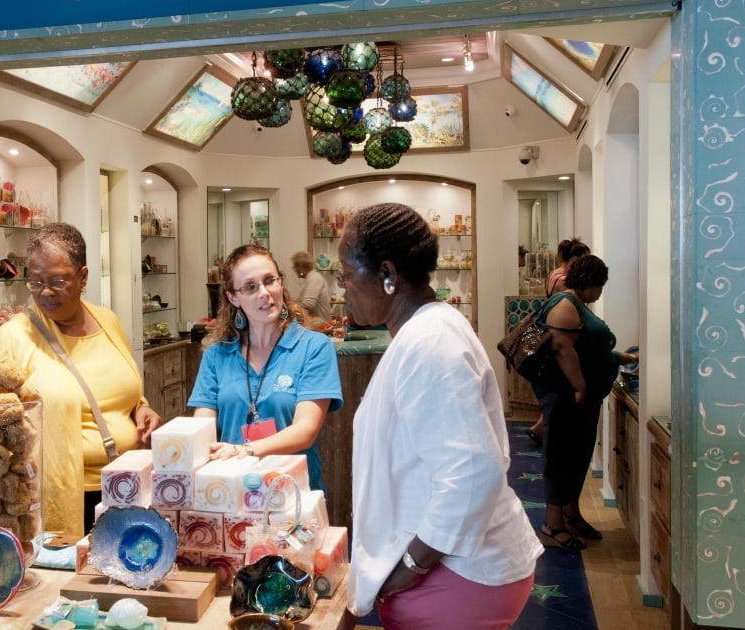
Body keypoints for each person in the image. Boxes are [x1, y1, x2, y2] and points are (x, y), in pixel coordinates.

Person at [338, 203, 542, 630]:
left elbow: (472, 472)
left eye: (346, 275)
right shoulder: (426, 329)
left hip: (460, 576)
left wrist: (409, 567)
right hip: (453, 571)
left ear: (388, 273)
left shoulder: (430, 342)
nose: (342, 289)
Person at [0, 222, 162, 536]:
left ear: (83, 277)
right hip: (64, 496)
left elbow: (120, 389)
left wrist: (141, 409)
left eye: (57, 281)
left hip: (127, 484)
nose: (45, 292)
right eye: (35, 282)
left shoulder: (107, 321)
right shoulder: (12, 339)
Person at [187, 244, 342, 492]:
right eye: (250, 287)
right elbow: (202, 428)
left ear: (281, 283)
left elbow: (305, 430)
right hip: (230, 495)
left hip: (293, 496)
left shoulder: (313, 347)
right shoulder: (217, 355)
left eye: (270, 280)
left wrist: (244, 450)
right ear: (233, 297)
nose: (264, 293)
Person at [535, 254, 637, 552]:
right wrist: (580, 386)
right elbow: (562, 348)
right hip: (566, 396)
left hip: (579, 398)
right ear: (590, 283)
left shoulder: (574, 304)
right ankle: (552, 525)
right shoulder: (565, 306)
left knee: (575, 455)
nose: (601, 292)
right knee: (561, 456)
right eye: (601, 286)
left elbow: (590, 350)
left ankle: (570, 513)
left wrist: (620, 358)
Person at [528, 237, 592, 444]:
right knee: (559, 391)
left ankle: (539, 429)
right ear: (573, 259)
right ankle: (543, 431)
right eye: (583, 260)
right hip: (558, 338)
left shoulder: (554, 274)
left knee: (554, 394)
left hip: (551, 336)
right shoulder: (565, 281)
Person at [290, 250, 333, 321]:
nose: (294, 269)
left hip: (319, 325)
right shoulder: (310, 278)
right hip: (316, 325)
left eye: (295, 266)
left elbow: (308, 305)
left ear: (300, 265)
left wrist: (291, 309)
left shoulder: (314, 278)